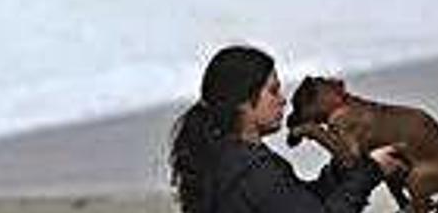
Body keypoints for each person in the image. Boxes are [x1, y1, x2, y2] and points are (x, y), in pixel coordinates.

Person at [169, 45, 406, 213]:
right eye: (273, 91)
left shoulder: (227, 157)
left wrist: (341, 171)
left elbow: (296, 203)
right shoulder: (253, 172)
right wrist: (372, 171)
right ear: (243, 103)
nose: (283, 100)